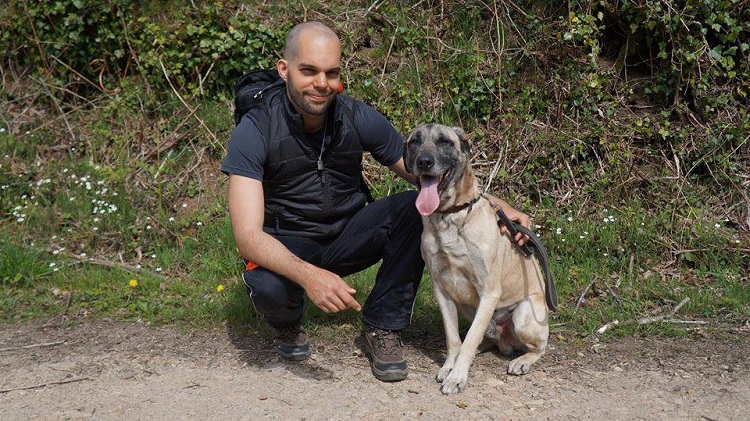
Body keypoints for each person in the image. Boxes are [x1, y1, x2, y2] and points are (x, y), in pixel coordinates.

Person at [221, 21, 530, 382]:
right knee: (267, 285)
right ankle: (287, 323)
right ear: (284, 69)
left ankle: (383, 325)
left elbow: (424, 175)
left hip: (347, 235)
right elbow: (247, 236)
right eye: (309, 71)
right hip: (288, 240)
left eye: (331, 73)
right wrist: (310, 277)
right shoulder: (255, 129)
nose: (322, 83)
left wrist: (498, 207)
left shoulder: (354, 115)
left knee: (413, 209)